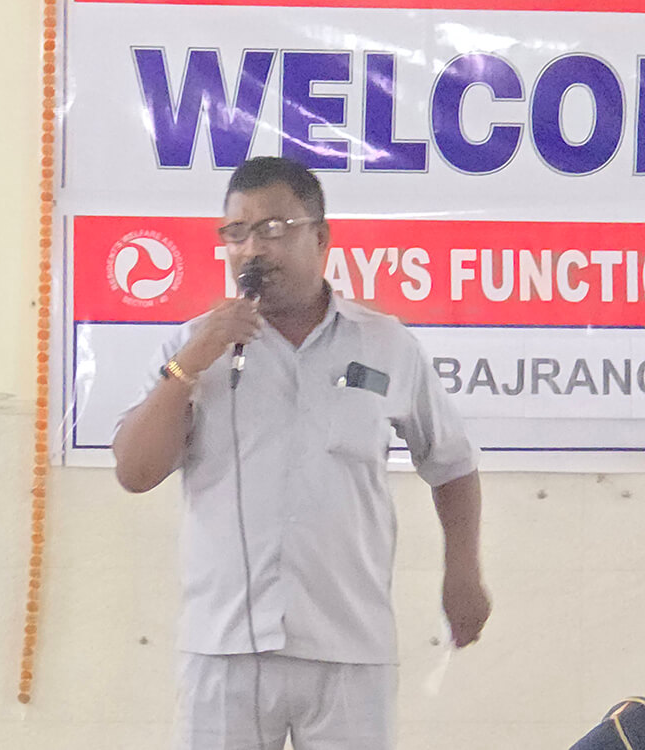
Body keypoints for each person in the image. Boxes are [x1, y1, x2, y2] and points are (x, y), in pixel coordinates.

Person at [112, 156, 491, 750]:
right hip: (225, 645)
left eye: (273, 228)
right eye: (236, 232)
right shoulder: (193, 347)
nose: (252, 249)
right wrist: (189, 364)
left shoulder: (386, 344)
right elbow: (135, 472)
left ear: (320, 236)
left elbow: (452, 465)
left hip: (349, 642)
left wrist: (462, 573)